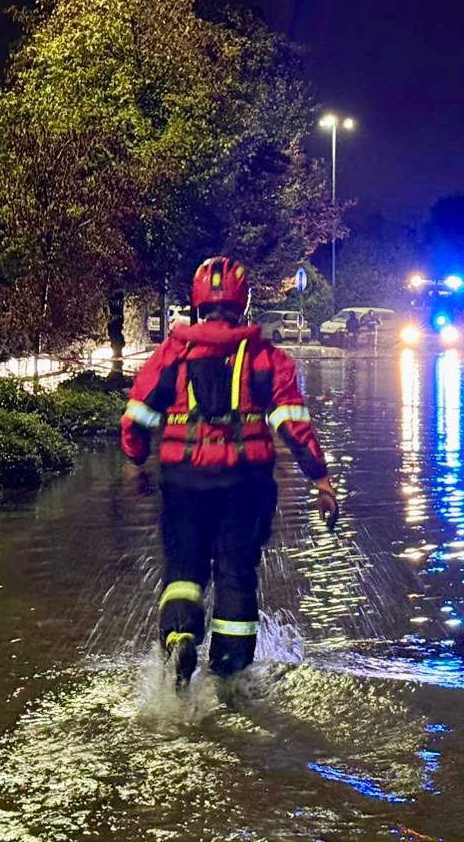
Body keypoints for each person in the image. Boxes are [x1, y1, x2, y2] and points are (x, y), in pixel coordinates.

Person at [120, 255, 339, 689]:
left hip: (183, 482)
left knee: (183, 569)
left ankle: (180, 637)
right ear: (244, 303)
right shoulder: (266, 358)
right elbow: (294, 425)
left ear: (197, 303)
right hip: (246, 485)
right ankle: (230, 681)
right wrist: (320, 479)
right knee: (236, 573)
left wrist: (135, 462)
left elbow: (137, 415)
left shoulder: (172, 354)